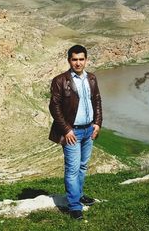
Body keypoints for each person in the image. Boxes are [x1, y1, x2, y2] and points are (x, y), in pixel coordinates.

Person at [48, 44, 102, 220]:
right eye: (74, 59)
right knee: (72, 169)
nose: (78, 63)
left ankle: (78, 195)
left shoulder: (91, 78)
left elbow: (97, 101)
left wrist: (97, 124)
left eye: (81, 59)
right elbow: (54, 107)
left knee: (83, 166)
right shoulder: (60, 80)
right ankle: (74, 206)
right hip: (72, 133)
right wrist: (66, 130)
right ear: (69, 60)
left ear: (86, 60)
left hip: (89, 130)